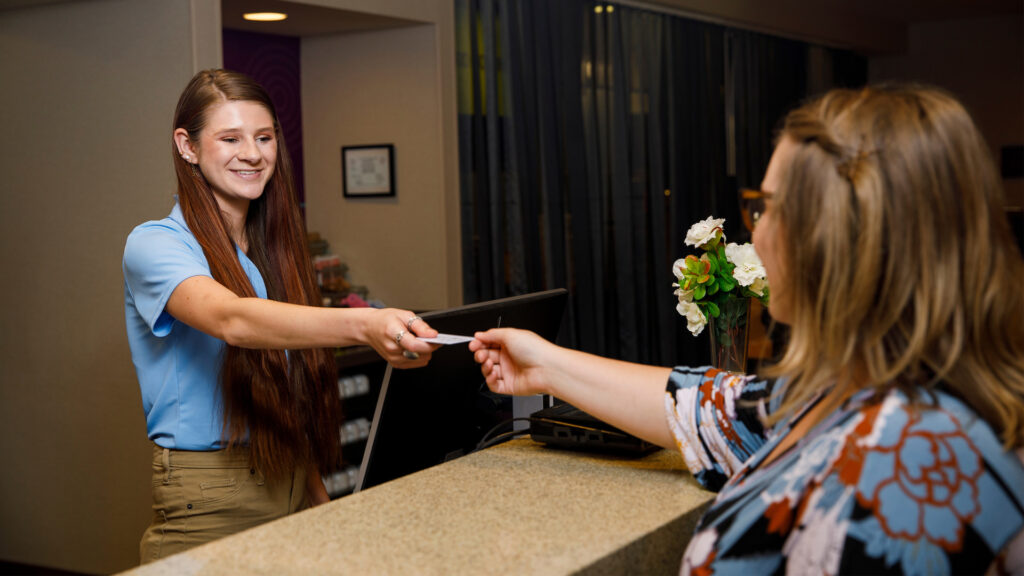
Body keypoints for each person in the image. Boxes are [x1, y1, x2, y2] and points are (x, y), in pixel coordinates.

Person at [470, 84, 1024, 575]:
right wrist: (543, 363)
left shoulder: (899, 474)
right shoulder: (869, 396)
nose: (755, 238)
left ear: (837, 239)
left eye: (767, 210)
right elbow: (710, 406)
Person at [123, 69, 439, 563]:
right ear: (186, 146)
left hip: (288, 468)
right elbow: (233, 321)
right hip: (212, 485)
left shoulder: (270, 249)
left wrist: (316, 494)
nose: (252, 153)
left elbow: (283, 386)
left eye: (264, 137)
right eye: (230, 138)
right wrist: (364, 324)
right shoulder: (155, 243)